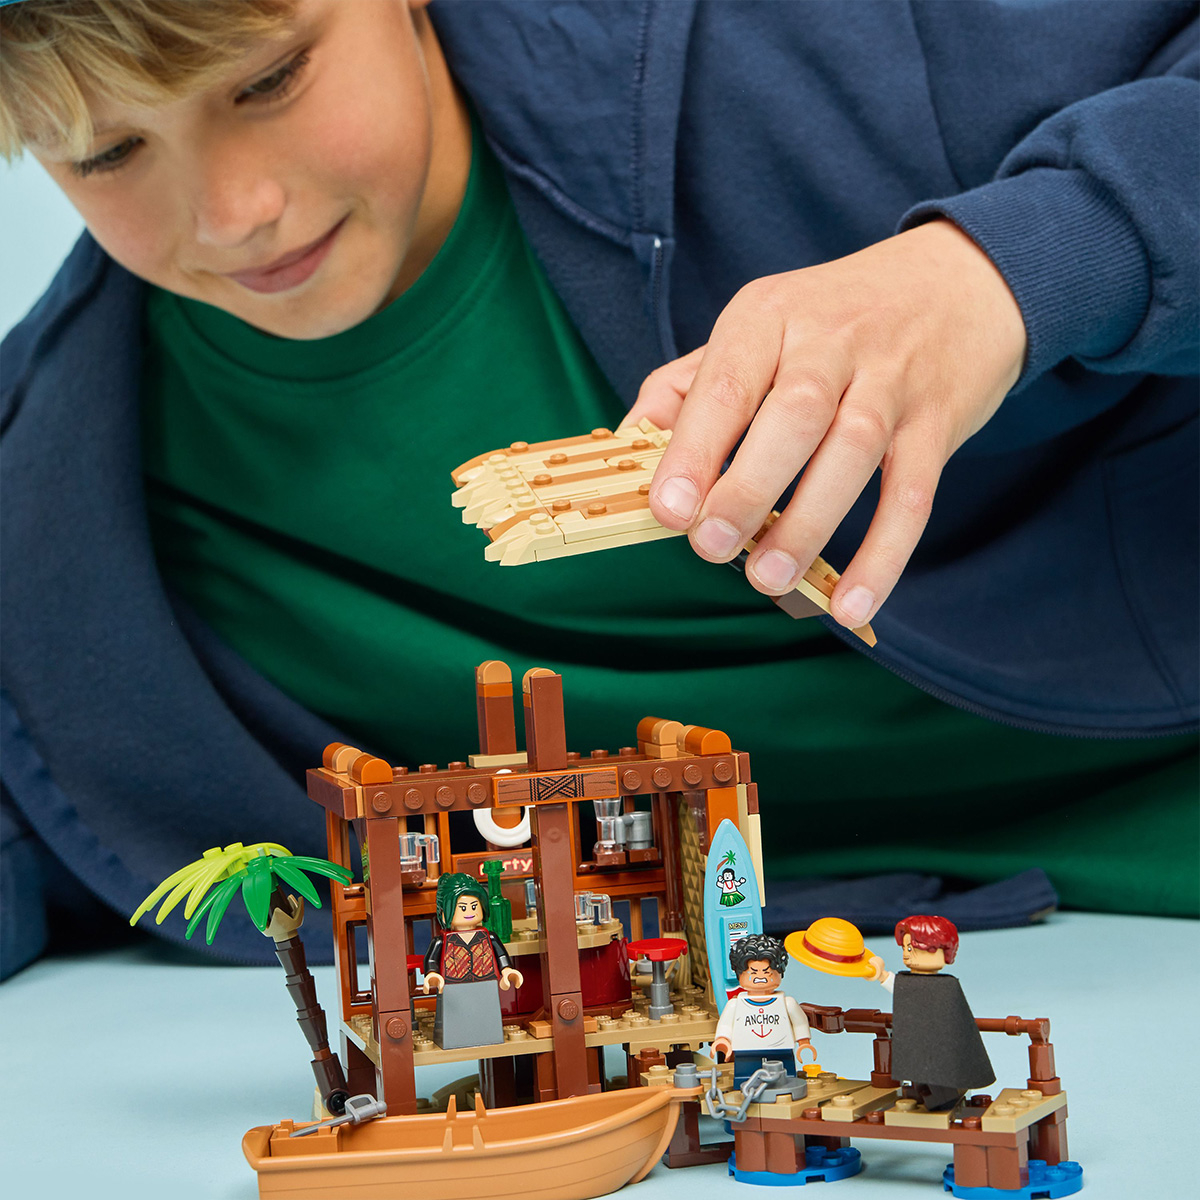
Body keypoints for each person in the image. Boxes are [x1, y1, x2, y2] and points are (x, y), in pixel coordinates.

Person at [1, 1, 1196, 981]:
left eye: (271, 81)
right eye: (106, 153)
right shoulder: (61, 522)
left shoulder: (832, 46)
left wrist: (1011, 266)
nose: (235, 214)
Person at [868, 915, 995, 1112]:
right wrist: (881, 975)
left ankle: (941, 1098)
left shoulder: (947, 986)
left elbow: (957, 1021)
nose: (906, 955)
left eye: (911, 948)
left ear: (937, 949)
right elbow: (900, 988)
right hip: (919, 1045)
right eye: (904, 949)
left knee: (939, 1077)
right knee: (920, 1072)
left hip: (941, 1048)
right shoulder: (911, 983)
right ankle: (924, 1094)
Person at [422, 872, 523, 1051]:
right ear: (444, 914)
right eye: (462, 908)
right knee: (454, 1021)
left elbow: (501, 956)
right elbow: (431, 960)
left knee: (488, 1017)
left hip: (485, 983)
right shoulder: (442, 941)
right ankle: (457, 1041)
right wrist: (432, 975)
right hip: (453, 987)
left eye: (474, 906)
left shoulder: (489, 937)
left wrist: (507, 971)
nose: (469, 912)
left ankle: (489, 1038)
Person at [712, 934, 814, 1088]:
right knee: (745, 1077)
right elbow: (725, 1025)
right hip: (746, 1051)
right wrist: (722, 1039)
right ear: (739, 973)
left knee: (786, 1077)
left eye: (767, 972)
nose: (760, 977)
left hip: (781, 1049)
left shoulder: (787, 1003)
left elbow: (800, 1023)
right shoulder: (735, 1005)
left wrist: (803, 1042)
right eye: (753, 972)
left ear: (779, 972)